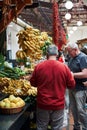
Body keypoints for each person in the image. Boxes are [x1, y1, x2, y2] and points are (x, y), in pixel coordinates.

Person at [30, 44, 75, 130]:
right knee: (57, 127)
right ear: (57, 54)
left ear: (46, 54)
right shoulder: (64, 67)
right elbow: (71, 85)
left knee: (41, 127)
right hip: (58, 104)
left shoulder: (39, 67)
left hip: (43, 103)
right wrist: (72, 77)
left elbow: (33, 83)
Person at [65, 42, 87, 130]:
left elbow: (85, 74)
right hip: (72, 88)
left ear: (75, 49)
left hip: (80, 89)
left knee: (80, 110)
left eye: (70, 51)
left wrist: (72, 75)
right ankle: (76, 126)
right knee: (73, 109)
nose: (69, 54)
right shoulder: (71, 57)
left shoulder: (83, 58)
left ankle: (85, 127)